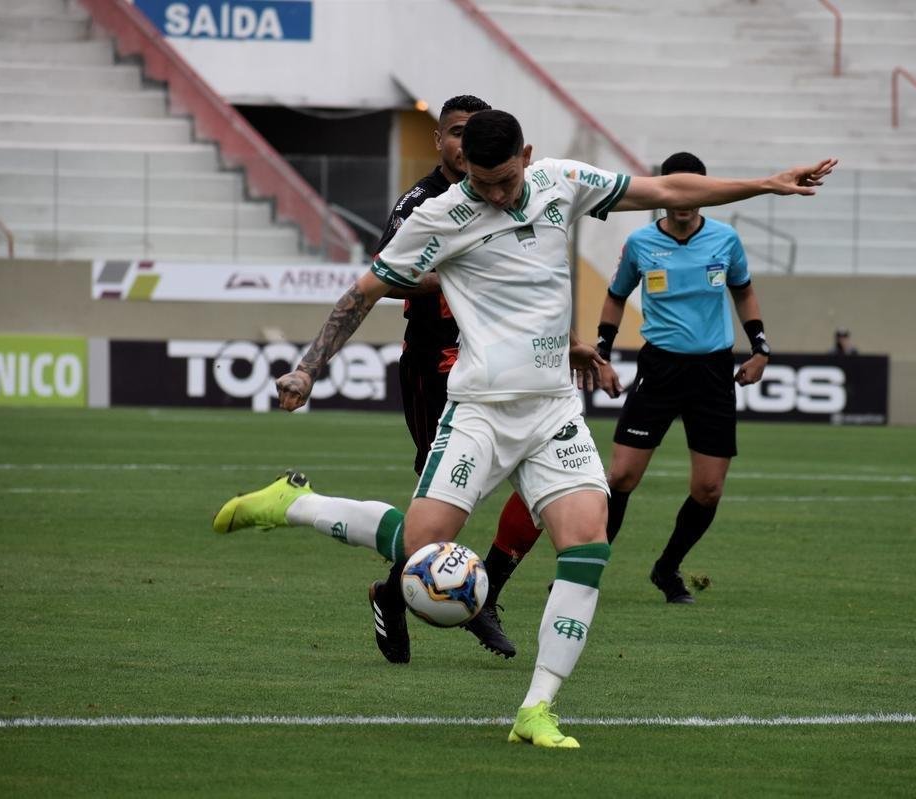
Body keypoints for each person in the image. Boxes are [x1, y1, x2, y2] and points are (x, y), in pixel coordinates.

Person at [214, 111, 836, 748]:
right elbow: (363, 291)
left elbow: (667, 190)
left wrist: (767, 183)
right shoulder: (440, 219)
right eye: (482, 182)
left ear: (527, 156)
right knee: (420, 548)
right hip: (480, 409)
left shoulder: (561, 181)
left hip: (553, 410)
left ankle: (536, 709)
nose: (495, 194)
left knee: (588, 541)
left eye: (505, 179)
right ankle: (295, 502)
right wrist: (306, 367)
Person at [370, 94, 541, 662]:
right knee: (442, 510)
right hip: (434, 364)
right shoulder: (421, 202)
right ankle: (395, 596)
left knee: (544, 495)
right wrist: (455, 277)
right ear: (439, 141)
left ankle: (484, 592)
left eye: (473, 133)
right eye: (454, 133)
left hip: (506, 361)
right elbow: (387, 276)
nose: (463, 143)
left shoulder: (511, 191)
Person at [597, 151, 771, 605]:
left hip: (713, 371)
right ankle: (585, 570)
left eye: (694, 189)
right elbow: (615, 297)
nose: (684, 199)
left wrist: (760, 348)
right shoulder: (639, 244)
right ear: (663, 192)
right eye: (675, 188)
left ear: (705, 193)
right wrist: (602, 354)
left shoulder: (725, 240)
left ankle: (666, 568)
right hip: (659, 369)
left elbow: (744, 290)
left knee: (709, 489)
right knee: (620, 478)